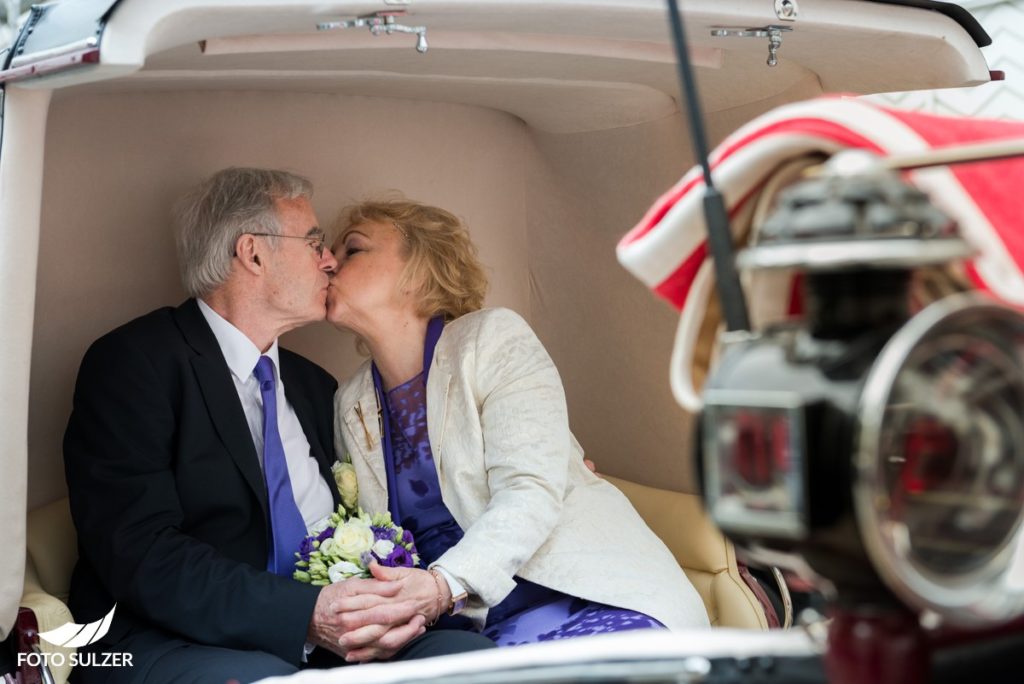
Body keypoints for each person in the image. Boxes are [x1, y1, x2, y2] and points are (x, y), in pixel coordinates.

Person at [62, 169, 494, 684]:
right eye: (314, 242)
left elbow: (393, 494)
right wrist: (305, 614)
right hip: (176, 638)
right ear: (253, 253)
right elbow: (139, 551)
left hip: (334, 638)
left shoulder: (318, 388)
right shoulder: (136, 362)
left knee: (469, 660)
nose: (329, 259)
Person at [326, 199, 710, 646]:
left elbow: (530, 491)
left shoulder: (493, 339)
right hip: (469, 628)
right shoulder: (348, 403)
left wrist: (440, 587)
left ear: (418, 271)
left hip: (588, 592)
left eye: (353, 249)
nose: (329, 261)